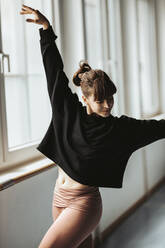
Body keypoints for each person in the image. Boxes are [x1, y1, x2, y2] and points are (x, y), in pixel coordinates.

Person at [20, 4, 165, 248]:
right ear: (85, 99)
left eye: (111, 97)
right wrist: (46, 30)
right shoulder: (68, 111)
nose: (108, 105)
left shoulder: (120, 129)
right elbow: (54, 72)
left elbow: (160, 127)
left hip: (84, 203)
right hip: (59, 197)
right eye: (100, 100)